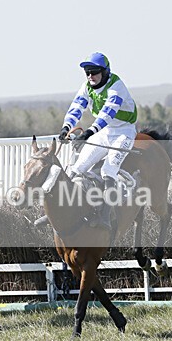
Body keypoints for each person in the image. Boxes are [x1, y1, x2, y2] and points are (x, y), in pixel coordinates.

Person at [57, 52, 138, 230]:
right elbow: (77, 107)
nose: (90, 76)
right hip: (105, 132)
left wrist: (88, 133)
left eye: (94, 72)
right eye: (87, 72)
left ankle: (105, 217)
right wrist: (66, 127)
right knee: (76, 168)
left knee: (108, 170)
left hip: (123, 132)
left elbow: (107, 113)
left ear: (105, 72)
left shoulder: (117, 86)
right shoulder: (87, 86)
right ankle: (61, 212)